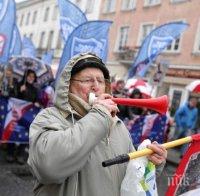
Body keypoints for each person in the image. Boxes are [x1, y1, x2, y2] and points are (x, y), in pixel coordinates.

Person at [28, 53, 167, 196]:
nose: (96, 86)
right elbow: (48, 168)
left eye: (100, 81)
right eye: (87, 80)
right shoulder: (50, 117)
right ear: (68, 86)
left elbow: (131, 175)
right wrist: (99, 115)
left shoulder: (117, 124)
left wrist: (150, 163)